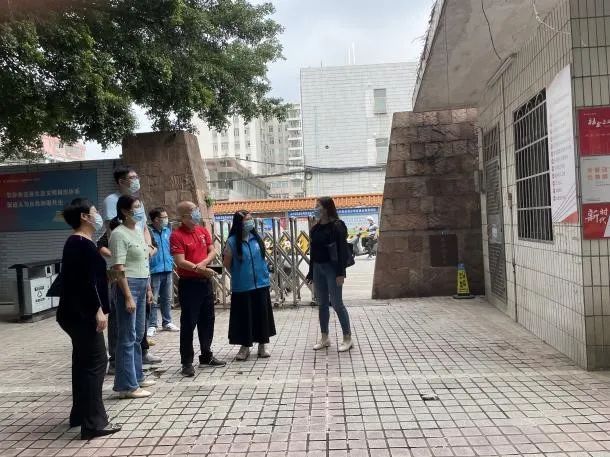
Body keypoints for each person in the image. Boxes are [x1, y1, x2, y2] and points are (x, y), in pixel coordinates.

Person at [56, 198, 121, 439]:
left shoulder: (80, 243)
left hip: (76, 313)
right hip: (83, 315)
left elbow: (89, 278)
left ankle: (80, 414)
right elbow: (84, 283)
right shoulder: (80, 244)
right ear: (84, 216)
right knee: (96, 363)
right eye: (94, 211)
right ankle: (93, 424)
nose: (98, 215)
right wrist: (98, 310)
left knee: (83, 363)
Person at [102, 165, 160, 371]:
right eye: (132, 177)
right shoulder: (112, 201)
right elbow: (112, 231)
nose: (136, 180)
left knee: (139, 319)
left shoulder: (137, 203)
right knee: (121, 318)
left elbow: (143, 228)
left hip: (140, 265)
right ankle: (116, 360)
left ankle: (140, 354)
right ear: (121, 181)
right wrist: (124, 254)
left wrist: (148, 247)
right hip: (124, 268)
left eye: (137, 176)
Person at [170, 201, 225, 377]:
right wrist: (199, 269)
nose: (197, 213)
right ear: (184, 216)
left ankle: (206, 355)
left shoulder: (202, 230)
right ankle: (186, 362)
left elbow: (213, 250)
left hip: (205, 281)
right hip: (189, 284)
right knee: (188, 323)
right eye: (193, 210)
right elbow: (180, 261)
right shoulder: (177, 236)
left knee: (207, 320)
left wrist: (203, 264)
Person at [110, 195, 156, 398]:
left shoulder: (137, 230)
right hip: (127, 286)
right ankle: (126, 386)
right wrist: (128, 296)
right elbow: (118, 268)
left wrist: (148, 289)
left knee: (138, 335)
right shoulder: (118, 234)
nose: (140, 210)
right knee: (127, 337)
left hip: (142, 283)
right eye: (136, 207)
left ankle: (137, 377)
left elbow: (144, 262)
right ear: (125, 211)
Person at [223, 210, 276, 361]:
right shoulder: (232, 242)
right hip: (242, 286)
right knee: (244, 317)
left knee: (261, 315)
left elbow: (262, 258)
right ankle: (244, 347)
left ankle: (262, 345)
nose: (250, 222)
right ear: (239, 223)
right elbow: (227, 263)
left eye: (251, 219)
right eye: (247, 220)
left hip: (261, 283)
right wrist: (240, 274)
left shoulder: (257, 238)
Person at [306, 197, 353, 352]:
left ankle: (347, 338)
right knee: (322, 304)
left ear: (326, 208)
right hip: (318, 268)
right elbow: (313, 252)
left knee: (337, 304)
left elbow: (341, 251)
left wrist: (341, 273)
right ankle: (325, 338)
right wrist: (311, 272)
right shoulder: (315, 228)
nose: (315, 208)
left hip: (332, 269)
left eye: (318, 206)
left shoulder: (337, 226)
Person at [148, 207, 179, 336]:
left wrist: (172, 261)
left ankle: (167, 322)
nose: (167, 219)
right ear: (156, 219)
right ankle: (152, 324)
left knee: (167, 298)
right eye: (164, 217)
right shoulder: (148, 232)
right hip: (154, 270)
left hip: (168, 269)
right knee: (153, 299)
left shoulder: (168, 231)